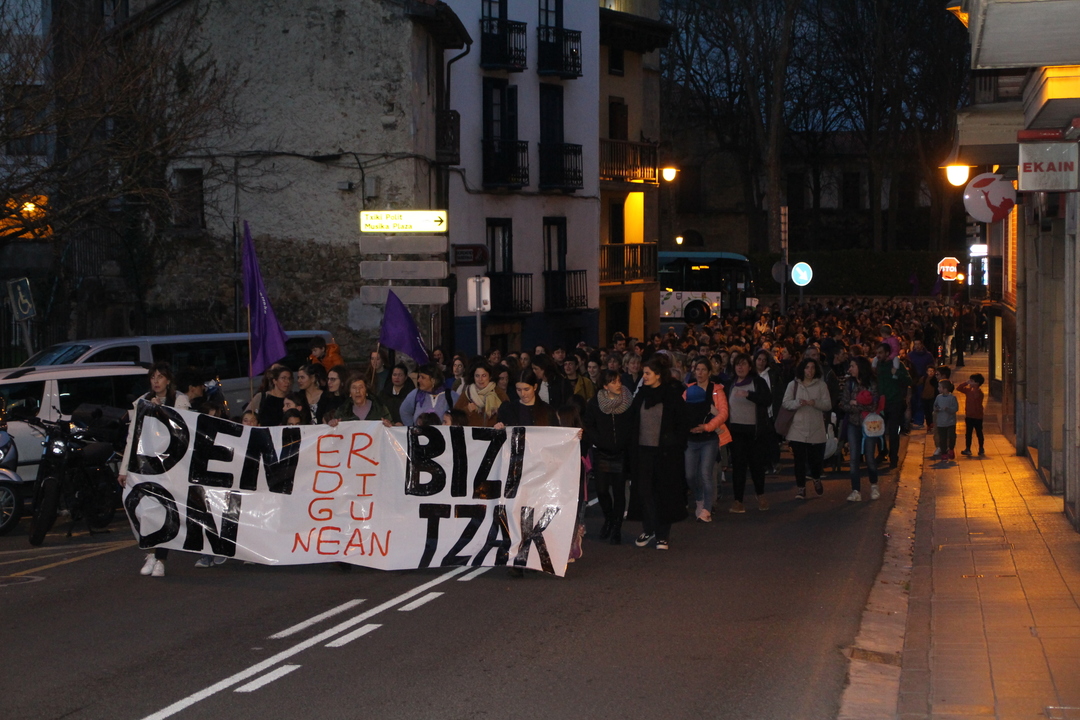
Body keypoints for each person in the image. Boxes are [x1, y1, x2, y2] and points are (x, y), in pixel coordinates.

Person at [127, 362, 188, 578]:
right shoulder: (142, 401)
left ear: (168, 380)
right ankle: (152, 552)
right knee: (145, 510)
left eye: (160, 377)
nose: (156, 381)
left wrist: (160, 412)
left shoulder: (179, 401)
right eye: (153, 377)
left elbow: (182, 430)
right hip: (146, 464)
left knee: (165, 511)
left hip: (171, 466)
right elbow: (132, 437)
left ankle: (160, 558)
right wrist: (125, 468)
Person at [629, 357, 690, 550]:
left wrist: (674, 443)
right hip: (643, 452)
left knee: (663, 493)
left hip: (665, 454)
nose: (644, 376)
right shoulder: (641, 395)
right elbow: (632, 420)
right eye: (643, 373)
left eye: (647, 373)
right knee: (644, 492)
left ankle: (663, 534)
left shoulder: (671, 395)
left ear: (658, 375)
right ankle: (649, 528)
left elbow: (682, 423)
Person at [584, 369, 635, 544]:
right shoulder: (595, 403)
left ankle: (616, 528)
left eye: (619, 381)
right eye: (613, 382)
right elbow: (589, 425)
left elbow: (633, 425)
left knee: (619, 492)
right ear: (605, 386)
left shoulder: (628, 401)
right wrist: (599, 441)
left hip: (621, 453)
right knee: (602, 490)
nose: (618, 384)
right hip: (602, 452)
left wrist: (626, 442)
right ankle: (609, 518)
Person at [682, 358, 731, 522]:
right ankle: (699, 499)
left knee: (706, 473)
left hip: (709, 438)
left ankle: (707, 509)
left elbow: (723, 413)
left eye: (703, 370)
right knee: (690, 475)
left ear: (709, 372)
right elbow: (680, 411)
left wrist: (707, 427)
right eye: (698, 369)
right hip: (691, 439)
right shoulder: (688, 390)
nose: (700, 373)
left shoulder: (717, 390)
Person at [724, 353, 773, 512]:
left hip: (755, 432)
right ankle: (738, 500)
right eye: (737, 364)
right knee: (738, 467)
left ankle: (761, 495)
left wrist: (749, 395)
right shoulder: (730, 384)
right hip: (736, 432)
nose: (740, 367)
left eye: (744, 364)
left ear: (750, 367)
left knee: (757, 466)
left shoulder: (757, 382)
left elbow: (767, 400)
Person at [782, 357, 832, 498]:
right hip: (797, 428)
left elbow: (827, 405)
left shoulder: (821, 385)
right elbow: (786, 403)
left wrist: (815, 403)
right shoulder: (793, 385)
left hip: (816, 428)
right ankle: (801, 488)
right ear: (802, 369)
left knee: (815, 460)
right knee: (799, 460)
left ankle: (816, 477)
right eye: (807, 367)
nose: (810, 371)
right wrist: (797, 403)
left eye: (812, 367)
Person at [840, 356, 880, 502]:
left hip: (869, 424)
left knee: (870, 456)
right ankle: (855, 490)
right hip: (853, 423)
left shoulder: (872, 383)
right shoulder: (849, 384)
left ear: (860, 367)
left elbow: (873, 406)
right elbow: (844, 404)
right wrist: (858, 406)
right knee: (853, 458)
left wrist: (856, 403)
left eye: (852, 366)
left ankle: (874, 484)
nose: (850, 369)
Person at [873, 342, 911, 469]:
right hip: (881, 403)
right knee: (878, 429)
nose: (878, 355)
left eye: (880, 353)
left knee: (893, 432)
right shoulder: (877, 365)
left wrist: (897, 373)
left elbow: (909, 380)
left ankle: (893, 457)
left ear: (887, 353)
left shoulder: (897, 365)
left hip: (895, 402)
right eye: (877, 353)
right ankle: (882, 452)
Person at [454, 361, 509, 427]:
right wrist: (467, 410)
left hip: (494, 432)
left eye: (484, 375)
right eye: (477, 376)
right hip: (472, 432)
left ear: (490, 377)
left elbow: (510, 416)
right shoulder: (467, 394)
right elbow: (454, 418)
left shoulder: (499, 394)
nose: (480, 379)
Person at [956, 373, 986, 456]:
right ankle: (968, 448)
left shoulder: (978, 392)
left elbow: (975, 397)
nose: (970, 382)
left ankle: (981, 448)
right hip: (969, 415)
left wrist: (971, 387)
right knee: (968, 433)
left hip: (977, 416)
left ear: (977, 383)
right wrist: (966, 383)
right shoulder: (969, 390)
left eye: (972, 381)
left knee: (978, 432)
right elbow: (958, 388)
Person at [933, 380, 959, 460]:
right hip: (941, 422)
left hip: (950, 421)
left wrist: (948, 409)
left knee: (951, 436)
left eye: (940, 387)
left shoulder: (952, 398)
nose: (938, 388)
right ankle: (944, 452)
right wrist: (936, 409)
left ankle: (951, 449)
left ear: (945, 389)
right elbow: (935, 406)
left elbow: (955, 408)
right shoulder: (938, 397)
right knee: (942, 438)